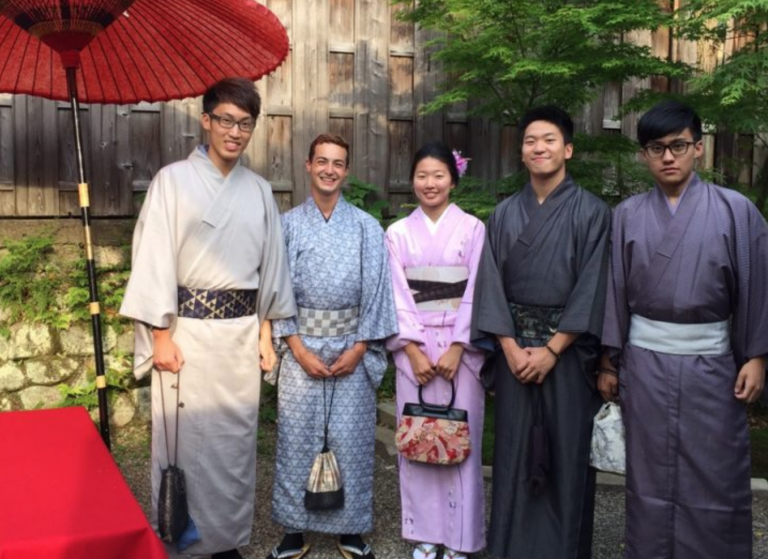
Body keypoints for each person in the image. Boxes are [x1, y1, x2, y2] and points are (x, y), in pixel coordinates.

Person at [120, 77, 296, 559]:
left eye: (245, 124)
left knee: (235, 445)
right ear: (206, 120)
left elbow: (271, 268)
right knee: (183, 443)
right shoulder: (172, 182)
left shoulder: (259, 191)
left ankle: (225, 542)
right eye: (226, 120)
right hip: (186, 336)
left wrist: (265, 334)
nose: (235, 132)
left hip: (239, 336)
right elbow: (154, 257)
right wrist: (160, 336)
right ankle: (180, 535)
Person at [599, 100, 768, 559]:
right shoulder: (627, 214)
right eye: (657, 148)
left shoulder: (736, 211)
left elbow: (757, 286)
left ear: (698, 148)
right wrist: (609, 361)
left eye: (678, 145)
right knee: (648, 475)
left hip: (712, 367)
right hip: (645, 368)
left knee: (716, 471)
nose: (668, 156)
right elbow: (614, 290)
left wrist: (756, 356)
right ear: (644, 155)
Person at [470, 106, 611, 559]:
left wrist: (552, 349)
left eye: (549, 140)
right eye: (531, 141)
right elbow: (490, 285)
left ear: (567, 149)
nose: (539, 148)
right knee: (512, 455)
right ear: (521, 152)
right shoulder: (504, 214)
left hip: (567, 357)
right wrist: (509, 347)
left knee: (567, 456)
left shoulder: (593, 213)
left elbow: (594, 286)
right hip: (514, 353)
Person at [267, 134, 398, 559]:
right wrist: (297, 348)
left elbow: (378, 292)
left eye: (337, 163)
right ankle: (294, 528)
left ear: (347, 171)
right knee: (296, 439)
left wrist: (360, 348)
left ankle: (351, 529)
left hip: (351, 344)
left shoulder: (366, 227)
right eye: (321, 161)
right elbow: (275, 290)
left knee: (351, 440)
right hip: (299, 343)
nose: (329, 169)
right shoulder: (287, 225)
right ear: (308, 165)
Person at [385, 142, 486, 559]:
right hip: (416, 350)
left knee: (461, 439)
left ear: (453, 181)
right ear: (412, 180)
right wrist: (411, 350)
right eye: (422, 175)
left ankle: (461, 538)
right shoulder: (396, 233)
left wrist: (460, 345)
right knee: (419, 438)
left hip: (460, 353)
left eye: (439, 175)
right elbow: (394, 294)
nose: (430, 183)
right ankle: (425, 534)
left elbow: (477, 290)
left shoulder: (474, 229)